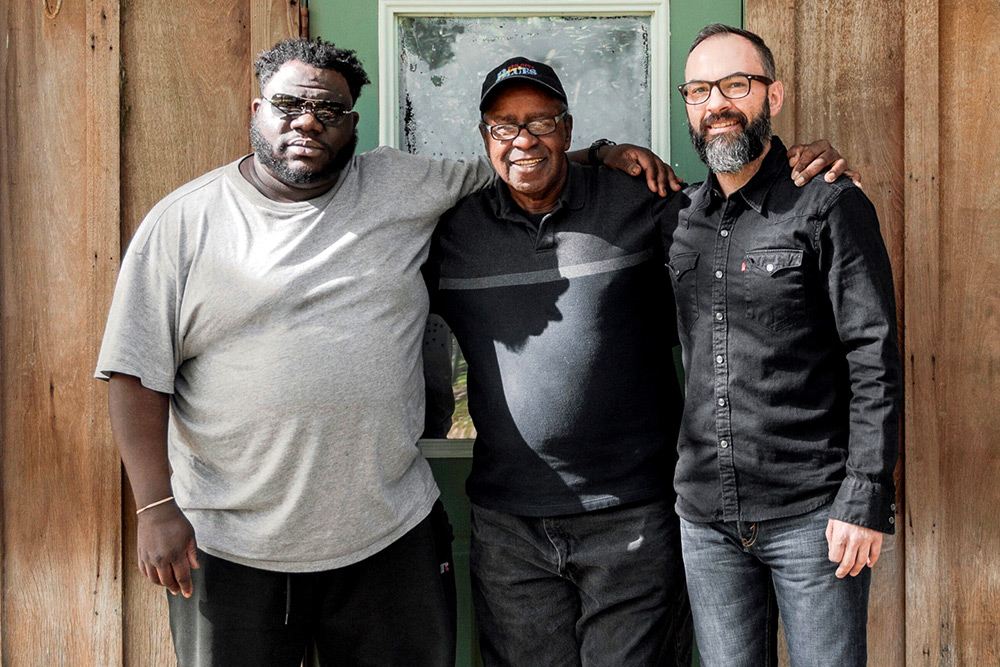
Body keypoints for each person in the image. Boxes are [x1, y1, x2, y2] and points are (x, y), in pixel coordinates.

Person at [95, 38, 683, 667]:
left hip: (388, 536)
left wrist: (600, 153)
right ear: (257, 110)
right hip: (231, 542)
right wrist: (154, 506)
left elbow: (519, 160)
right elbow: (133, 371)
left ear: (352, 123)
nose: (307, 122)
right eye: (289, 105)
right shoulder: (184, 222)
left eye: (329, 110)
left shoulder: (400, 184)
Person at [426, 56, 850, 667]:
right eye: (503, 126)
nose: (523, 139)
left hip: (632, 519)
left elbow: (740, 220)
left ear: (567, 129)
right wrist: (603, 151)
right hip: (507, 526)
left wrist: (800, 175)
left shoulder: (639, 203)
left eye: (541, 122)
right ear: (485, 136)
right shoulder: (453, 231)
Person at [662, 24, 901, 666]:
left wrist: (866, 494)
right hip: (706, 521)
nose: (717, 103)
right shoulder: (677, 218)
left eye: (736, 84)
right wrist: (603, 151)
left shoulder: (828, 204)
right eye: (699, 90)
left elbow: (873, 355)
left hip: (813, 515)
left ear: (774, 95)